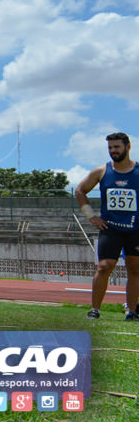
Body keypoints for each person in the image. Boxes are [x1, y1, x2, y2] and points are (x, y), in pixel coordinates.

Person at [74, 132, 139, 320]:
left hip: (135, 229)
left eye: (117, 147)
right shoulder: (101, 171)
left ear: (128, 147)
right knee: (104, 266)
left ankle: (132, 311)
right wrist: (91, 216)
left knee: (135, 269)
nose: (113, 151)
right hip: (110, 228)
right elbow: (80, 190)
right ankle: (95, 309)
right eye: (110, 148)